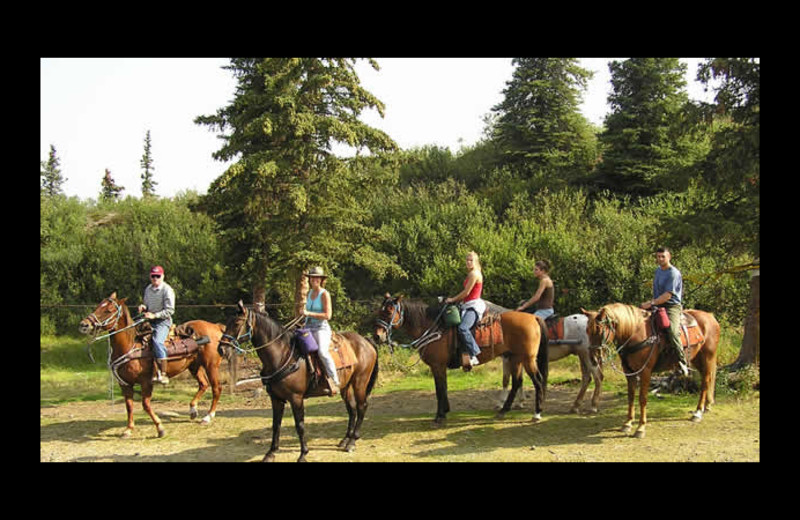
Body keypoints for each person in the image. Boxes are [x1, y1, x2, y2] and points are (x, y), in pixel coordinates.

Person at [641, 247, 689, 377]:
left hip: (671, 306)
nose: (660, 259)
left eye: (663, 256)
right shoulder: (658, 271)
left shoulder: (673, 273)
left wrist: (650, 303)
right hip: (657, 304)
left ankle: (682, 361)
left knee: (672, 331)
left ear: (669, 257)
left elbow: (668, 295)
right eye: (658, 257)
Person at [303, 267, 340, 396]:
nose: (314, 280)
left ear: (321, 280)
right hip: (308, 327)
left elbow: (328, 315)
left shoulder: (324, 294)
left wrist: (309, 313)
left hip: (321, 328)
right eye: (312, 277)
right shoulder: (309, 293)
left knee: (322, 352)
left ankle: (334, 380)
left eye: (317, 278)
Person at [445, 251, 486, 367]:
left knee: (463, 328)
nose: (468, 262)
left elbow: (467, 292)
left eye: (471, 260)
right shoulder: (471, 273)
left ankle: (475, 354)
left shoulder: (474, 274)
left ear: (475, 261)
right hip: (467, 305)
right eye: (467, 260)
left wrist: (452, 299)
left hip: (473, 306)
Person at [138, 265, 175, 384]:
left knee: (157, 342)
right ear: (150, 276)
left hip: (163, 321)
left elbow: (170, 310)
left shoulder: (167, 290)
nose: (155, 279)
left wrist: (155, 315)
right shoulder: (148, 289)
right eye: (153, 276)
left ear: (163, 276)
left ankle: (163, 373)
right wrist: (143, 307)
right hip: (149, 321)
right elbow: (147, 305)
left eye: (158, 276)